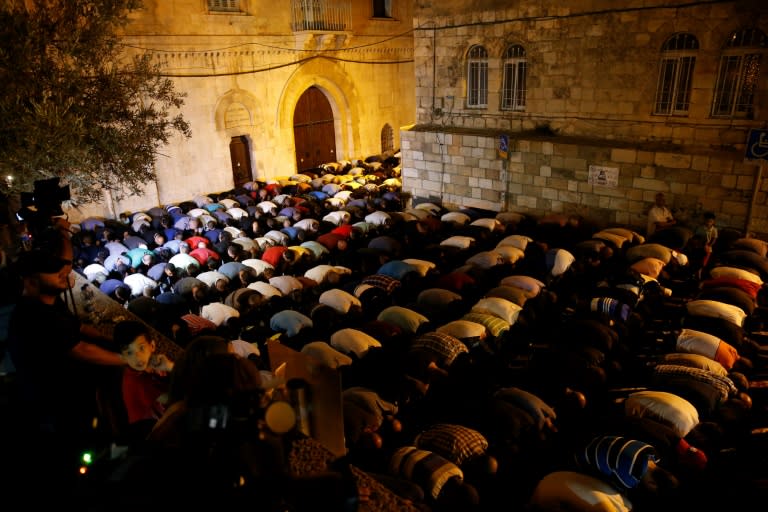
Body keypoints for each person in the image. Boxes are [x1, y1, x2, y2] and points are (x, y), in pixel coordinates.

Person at [5, 222, 127, 499]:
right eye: (53, 271)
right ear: (30, 279)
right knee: (80, 456)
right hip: (58, 405)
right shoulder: (32, 317)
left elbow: (78, 327)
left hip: (77, 396)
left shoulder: (51, 300)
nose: (64, 273)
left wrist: (63, 233)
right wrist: (126, 360)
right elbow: (79, 348)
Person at [113, 320, 175, 442]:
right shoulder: (137, 382)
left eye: (141, 348)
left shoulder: (147, 366)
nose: (138, 357)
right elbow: (175, 400)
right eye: (129, 353)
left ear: (152, 346)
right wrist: (171, 367)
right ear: (122, 357)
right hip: (150, 434)